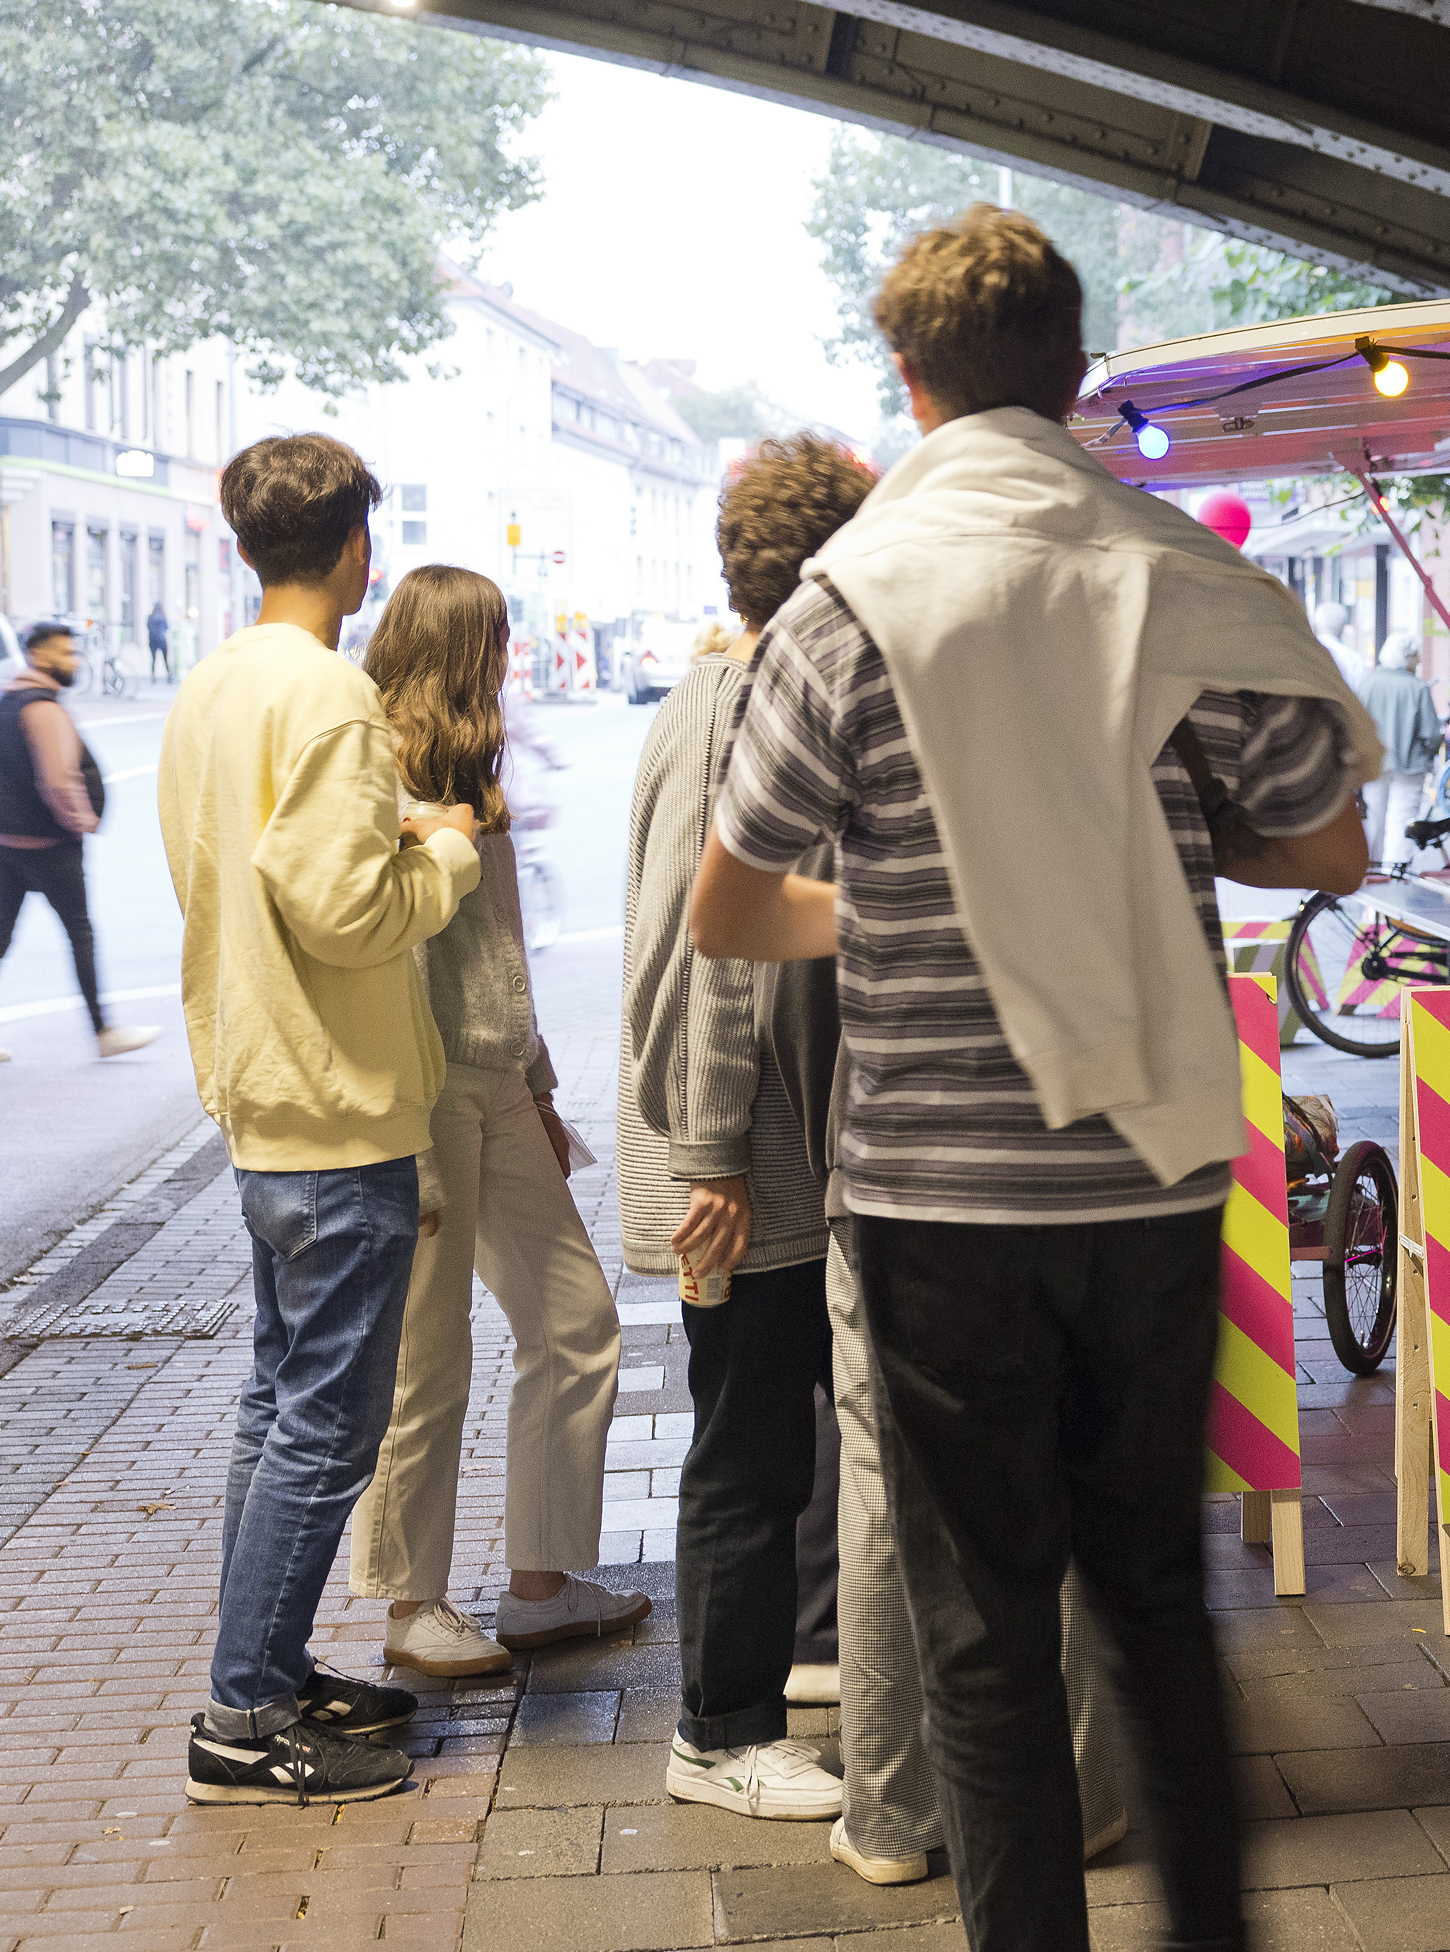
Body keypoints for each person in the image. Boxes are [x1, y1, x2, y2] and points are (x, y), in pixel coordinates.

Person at [685, 204, 1374, 1951]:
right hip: (1147, 1172)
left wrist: (915, 903)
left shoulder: (845, 607)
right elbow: (1330, 841)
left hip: (933, 1200)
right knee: (1155, 1599)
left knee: (981, 1633)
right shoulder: (1173, 574)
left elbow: (729, 897)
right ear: (1076, 377)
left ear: (906, 385)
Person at [158, 433, 482, 1804]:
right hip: (340, 1108)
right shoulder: (336, 699)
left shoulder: (216, 687)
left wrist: (388, 830)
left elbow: (262, 865)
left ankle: (271, 1671)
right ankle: (243, 1719)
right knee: (327, 1429)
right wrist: (449, 855)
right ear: (358, 542)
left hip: (258, 1087)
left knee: (273, 1408)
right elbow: (345, 909)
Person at [617, 433, 871, 1820]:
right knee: (748, 1441)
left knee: (755, 1427)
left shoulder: (711, 685)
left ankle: (750, 1693)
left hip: (734, 1134)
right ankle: (719, 1732)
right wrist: (715, 1155)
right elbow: (725, 954)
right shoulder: (758, 699)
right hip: (739, 1144)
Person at [347, 566, 648, 1682]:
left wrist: (539, 1083)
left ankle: (540, 1582)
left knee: (576, 1320)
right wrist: (411, 1147)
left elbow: (498, 951)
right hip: (422, 1098)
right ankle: (409, 1604)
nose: (512, 658)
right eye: (499, 640)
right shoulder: (374, 771)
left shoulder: (469, 766)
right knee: (427, 1357)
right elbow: (388, 962)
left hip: (496, 1082)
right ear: (457, 649)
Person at [0, 623, 158, 1064]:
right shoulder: (43, 709)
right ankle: (104, 1031)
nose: (75, 661)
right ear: (41, 657)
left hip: (2, 840)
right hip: (47, 844)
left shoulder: (4, 703)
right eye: (67, 653)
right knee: (80, 933)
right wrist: (82, 822)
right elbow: (58, 781)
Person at [1357, 632, 1442, 870]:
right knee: (1402, 819)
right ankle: (1394, 870)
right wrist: (1429, 754)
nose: (1419, 661)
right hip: (1410, 766)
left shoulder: (1368, 683)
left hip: (1375, 765)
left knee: (1374, 817)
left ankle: (1371, 868)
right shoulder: (1416, 688)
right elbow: (1432, 733)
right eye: (1416, 656)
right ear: (1406, 657)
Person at [147, 601, 173, 683]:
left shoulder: (151, 617)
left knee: (153, 659)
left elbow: (147, 626)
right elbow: (167, 627)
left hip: (152, 641)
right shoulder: (163, 617)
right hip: (162, 641)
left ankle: (153, 677)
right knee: (165, 659)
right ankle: (169, 676)